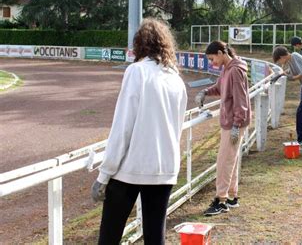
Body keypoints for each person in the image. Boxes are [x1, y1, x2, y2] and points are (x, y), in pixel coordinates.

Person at [91, 18, 187, 244]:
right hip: (165, 168)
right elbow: (177, 128)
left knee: (109, 236)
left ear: (140, 44)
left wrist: (104, 174)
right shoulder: (177, 80)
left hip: (131, 169)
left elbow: (122, 127)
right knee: (155, 236)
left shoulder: (137, 72)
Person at [194, 41, 251, 216]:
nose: (212, 63)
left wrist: (236, 125)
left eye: (212, 59)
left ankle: (221, 200)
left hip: (234, 123)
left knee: (224, 162)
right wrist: (205, 92)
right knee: (230, 160)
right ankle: (232, 197)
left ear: (220, 53)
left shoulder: (235, 70)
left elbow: (241, 101)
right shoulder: (228, 68)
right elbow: (220, 87)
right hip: (232, 122)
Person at [272, 46, 302, 154]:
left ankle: (301, 142)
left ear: (282, 57)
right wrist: (283, 74)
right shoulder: (292, 59)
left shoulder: (295, 57)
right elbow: (294, 70)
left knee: (301, 114)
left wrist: (291, 78)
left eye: (279, 61)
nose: (280, 63)